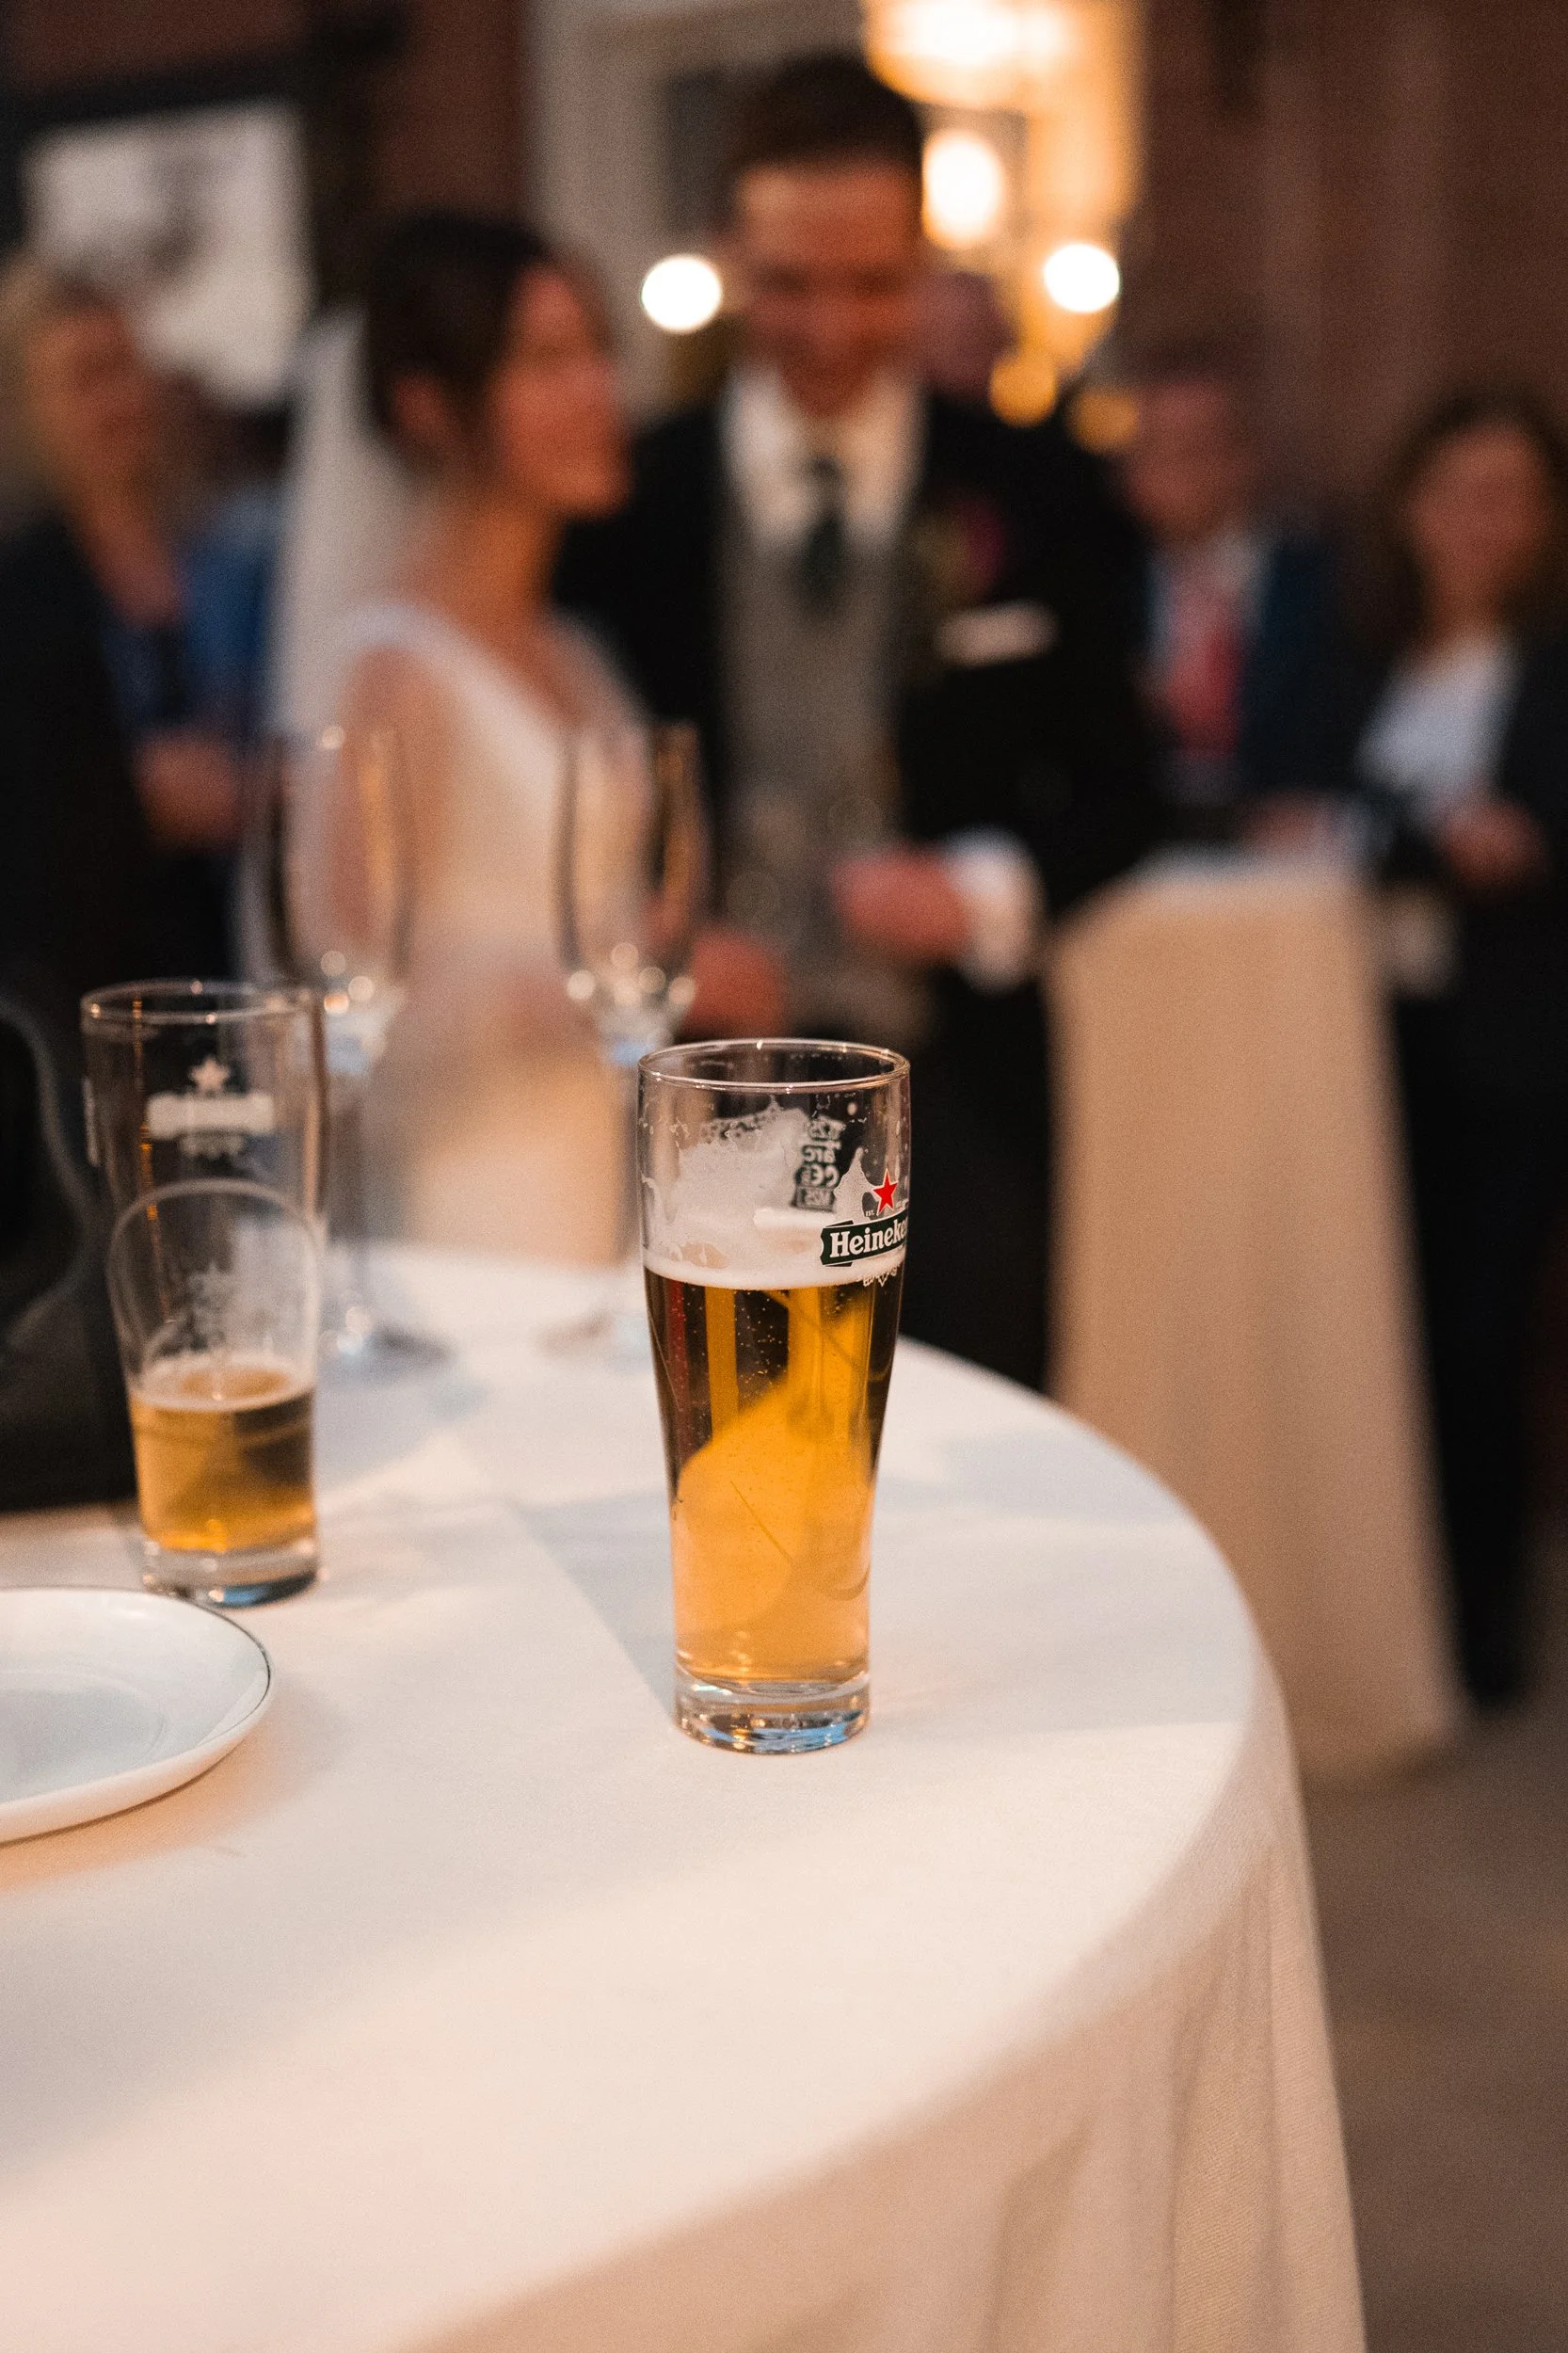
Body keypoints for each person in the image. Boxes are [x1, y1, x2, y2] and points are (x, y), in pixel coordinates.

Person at [558, 55, 1158, 1388]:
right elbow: (565, 782)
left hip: (960, 1095)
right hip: (697, 1101)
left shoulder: (1041, 488)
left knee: (972, 1452)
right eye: (786, 284)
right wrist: (659, 929)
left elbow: (1131, 786)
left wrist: (982, 886)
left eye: (870, 285)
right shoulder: (626, 508)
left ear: (925, 261)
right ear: (725, 252)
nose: (827, 329)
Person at [338, 211, 635, 1259]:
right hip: (470, 1190)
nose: (598, 390)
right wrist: (612, 976)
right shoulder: (394, 667)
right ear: (429, 407)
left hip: (604, 1155)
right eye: (547, 361)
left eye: (598, 350)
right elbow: (356, 982)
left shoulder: (575, 651)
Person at [1347, 388, 1568, 1705]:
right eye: (1452, 492)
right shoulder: (1368, 650)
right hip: (1372, 1032)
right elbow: (1306, 800)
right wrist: (1431, 837)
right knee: (1387, 1322)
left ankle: (1480, 1632)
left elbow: (1525, 849)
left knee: (1480, 1339)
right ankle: (1390, 1603)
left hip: (1509, 1047)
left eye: (1507, 496)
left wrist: (1447, 843)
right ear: (1408, 506)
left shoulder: (1549, 663)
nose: (1476, 523)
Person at [0, 263, 268, 1001]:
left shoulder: (227, 552)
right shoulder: (22, 586)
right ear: (26, 403)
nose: (119, 401)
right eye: (87, 379)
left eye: (126, 368)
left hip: (240, 938)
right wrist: (133, 798)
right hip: (95, 975)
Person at [1119, 344, 1344, 830]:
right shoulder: (1103, 589)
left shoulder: (1322, 582)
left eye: (1196, 448)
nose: (1175, 471)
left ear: (1246, 457)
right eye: (1156, 448)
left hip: (1287, 856)